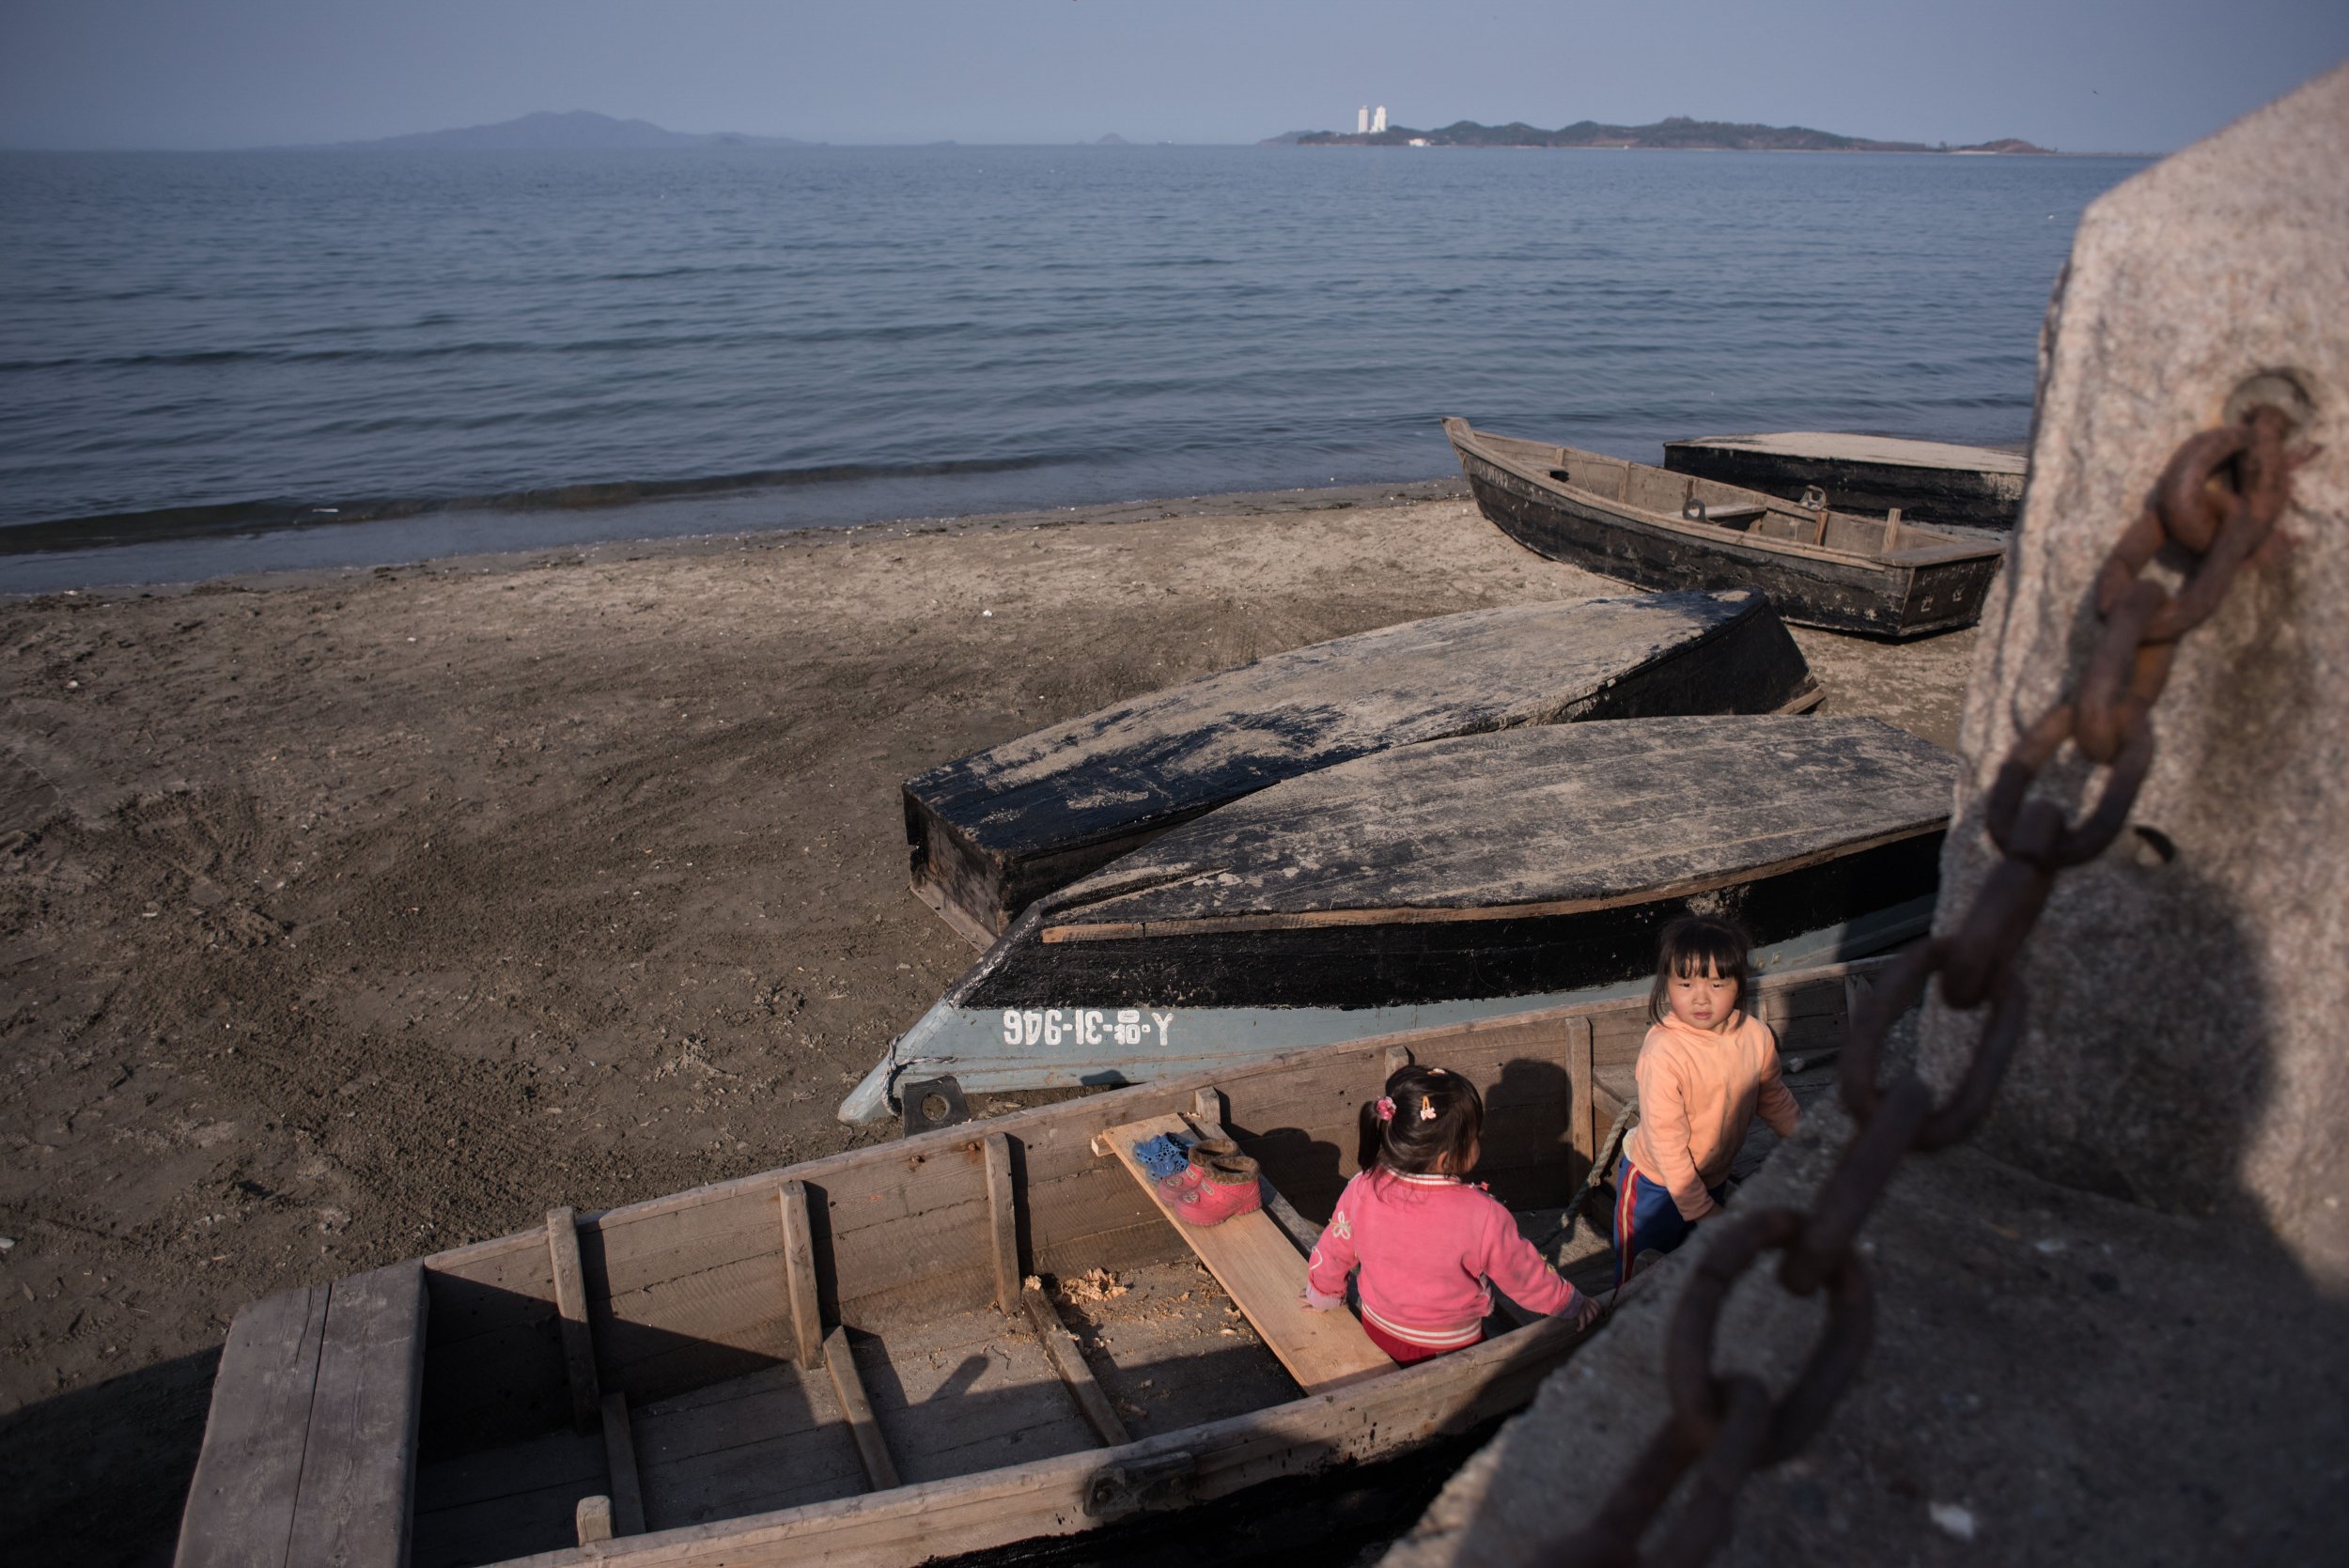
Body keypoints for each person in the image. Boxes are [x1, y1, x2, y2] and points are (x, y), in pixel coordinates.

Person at [1302, 1064, 1601, 1363]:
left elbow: (1334, 1248)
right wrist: (1569, 1302)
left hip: (1379, 1328)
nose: (1478, 1142)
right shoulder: (1482, 1214)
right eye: (1474, 1137)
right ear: (1447, 1157)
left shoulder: (1362, 1186)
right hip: (1450, 1344)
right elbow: (1521, 1273)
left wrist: (1322, 1294)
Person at [1611, 914, 1799, 1287]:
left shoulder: (1755, 1037)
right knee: (1637, 1280)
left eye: (1717, 983)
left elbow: (1773, 1097)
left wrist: (1807, 1143)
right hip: (1656, 1184)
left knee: (1696, 1273)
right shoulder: (1664, 1052)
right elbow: (1668, 1145)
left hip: (1711, 1175)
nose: (1701, 997)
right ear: (1667, 984)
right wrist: (1704, 1211)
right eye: (1685, 983)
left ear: (1739, 983)